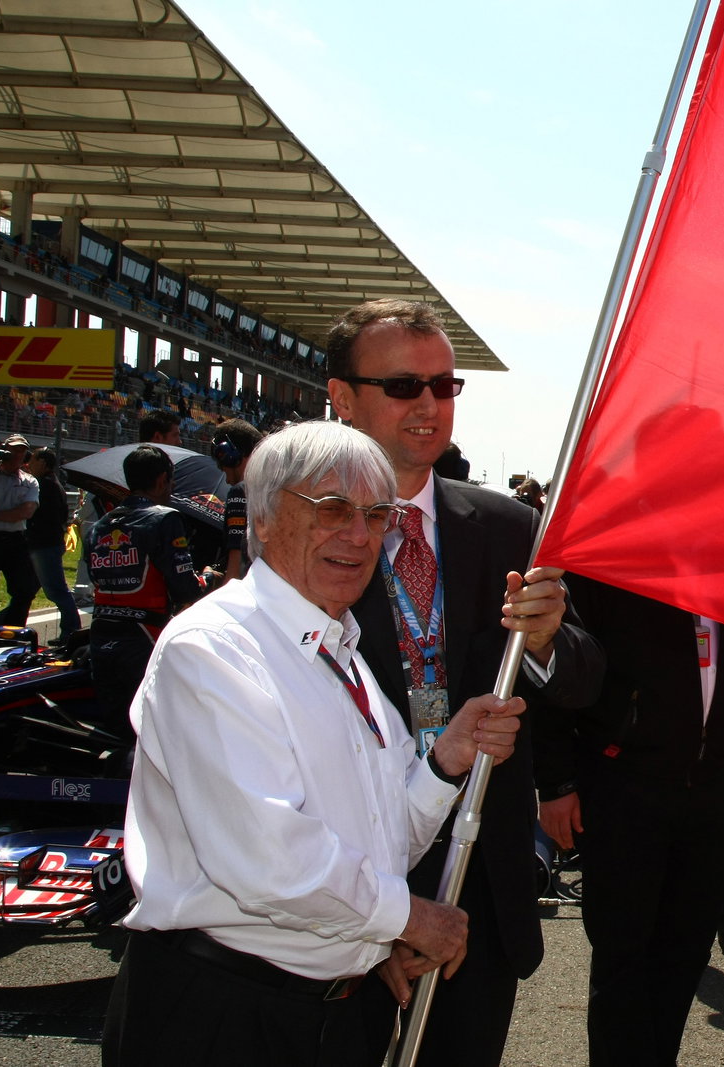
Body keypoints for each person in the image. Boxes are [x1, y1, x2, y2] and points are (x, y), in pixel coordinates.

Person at [101, 421, 526, 1066]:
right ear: (264, 519)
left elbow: (384, 838)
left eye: (375, 515)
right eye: (331, 508)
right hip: (223, 1014)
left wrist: (445, 762)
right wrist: (408, 919)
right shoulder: (213, 649)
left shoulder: (341, 648)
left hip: (331, 1015)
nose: (358, 535)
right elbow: (270, 861)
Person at [327, 298, 605, 1066]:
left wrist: (544, 641)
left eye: (444, 386)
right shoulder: (300, 526)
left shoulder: (509, 527)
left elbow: (585, 678)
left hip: (477, 873)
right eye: (403, 386)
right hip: (345, 875)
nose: (428, 405)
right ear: (343, 396)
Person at [534, 576, 724, 1065]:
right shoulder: (608, 570)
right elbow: (556, 680)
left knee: (686, 948)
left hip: (711, 787)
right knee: (623, 952)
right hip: (623, 784)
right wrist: (556, 784)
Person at [85, 445, 210, 726]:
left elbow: (95, 577)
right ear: (162, 479)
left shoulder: (98, 527)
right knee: (150, 727)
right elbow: (185, 589)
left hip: (100, 637)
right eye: (171, 479)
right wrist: (208, 578)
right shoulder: (165, 518)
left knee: (113, 726)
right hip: (144, 638)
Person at [24, 447, 81, 642]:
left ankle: (71, 630)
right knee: (26, 590)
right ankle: (7, 620)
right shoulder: (53, 484)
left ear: (42, 463)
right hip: (47, 543)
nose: (29, 464)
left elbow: (36, 516)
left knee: (56, 590)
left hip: (44, 545)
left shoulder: (44, 486)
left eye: (33, 460)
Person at [0, 434, 41, 628]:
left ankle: (12, 629)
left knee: (26, 589)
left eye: (22, 450)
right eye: (14, 449)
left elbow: (26, 512)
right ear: (4, 449)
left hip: (15, 540)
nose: (18, 454)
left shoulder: (30, 481)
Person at [209, 418, 264, 584]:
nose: (226, 480)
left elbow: (237, 561)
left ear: (228, 455)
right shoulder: (279, 486)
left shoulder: (241, 491)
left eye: (222, 467)